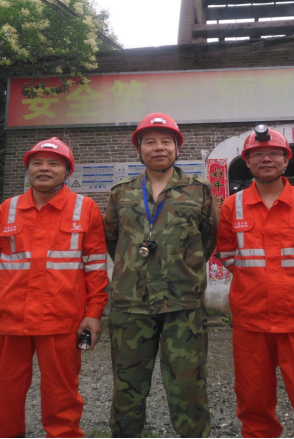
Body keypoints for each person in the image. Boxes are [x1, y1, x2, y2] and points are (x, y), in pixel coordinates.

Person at [0, 137, 109, 439]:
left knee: (62, 395)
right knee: (5, 392)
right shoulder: (7, 209)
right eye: (37, 163)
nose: (44, 169)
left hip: (62, 319)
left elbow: (96, 268)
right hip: (9, 318)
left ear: (67, 171)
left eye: (54, 163)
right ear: (28, 169)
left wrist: (94, 313)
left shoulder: (85, 209)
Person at [217, 125, 294, 438]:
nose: (266, 159)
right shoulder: (232, 206)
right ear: (247, 161)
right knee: (253, 401)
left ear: (287, 160)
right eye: (258, 154)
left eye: (274, 153)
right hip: (251, 321)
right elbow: (228, 255)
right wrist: (255, 282)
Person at [104, 112, 218, 438]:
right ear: (138, 150)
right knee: (127, 386)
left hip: (183, 305)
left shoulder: (199, 191)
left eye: (166, 141)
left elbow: (208, 239)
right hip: (131, 305)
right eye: (149, 142)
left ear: (177, 148)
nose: (158, 148)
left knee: (188, 385)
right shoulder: (121, 193)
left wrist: (181, 269)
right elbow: (113, 240)